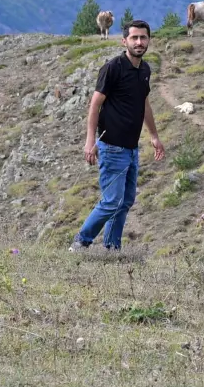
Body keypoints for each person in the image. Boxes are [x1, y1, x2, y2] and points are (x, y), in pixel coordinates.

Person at [71, 20, 166, 253]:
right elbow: (95, 105)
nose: (139, 42)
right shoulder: (113, 68)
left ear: (149, 40)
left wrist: (154, 136)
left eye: (143, 37)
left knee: (125, 201)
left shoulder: (144, 70)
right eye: (134, 38)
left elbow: (144, 104)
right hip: (112, 147)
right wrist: (90, 141)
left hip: (132, 148)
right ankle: (81, 242)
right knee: (112, 201)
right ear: (124, 41)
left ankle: (111, 249)